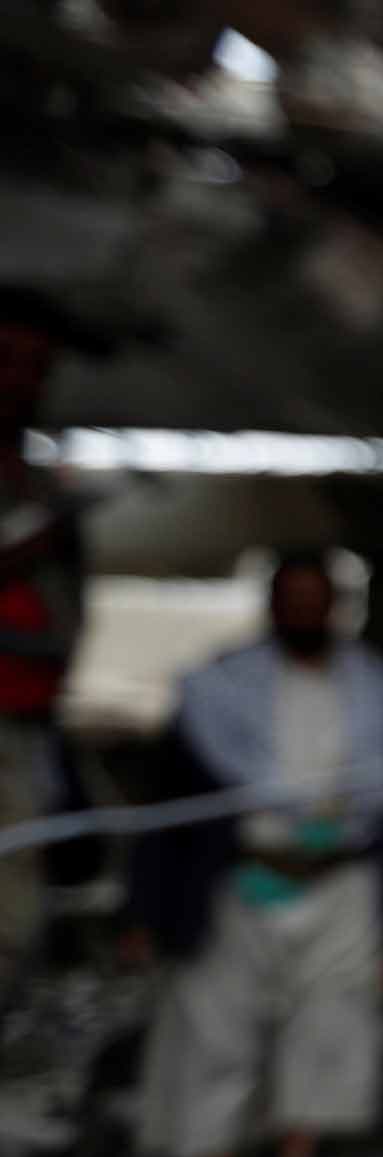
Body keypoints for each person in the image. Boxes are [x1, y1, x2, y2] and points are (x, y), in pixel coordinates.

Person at [128, 548, 383, 1157]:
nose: (304, 613)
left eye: (317, 600)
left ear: (338, 608)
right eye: (291, 600)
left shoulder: (380, 693)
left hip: (340, 884)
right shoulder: (218, 693)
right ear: (272, 607)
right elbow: (165, 808)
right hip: (241, 883)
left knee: (328, 1028)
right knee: (215, 1033)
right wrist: (144, 912)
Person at [0, 293, 84, 1005]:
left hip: (25, 723)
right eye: (9, 362)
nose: (23, 381)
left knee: (16, 911)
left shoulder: (38, 479)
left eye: (37, 368)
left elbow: (66, 617)